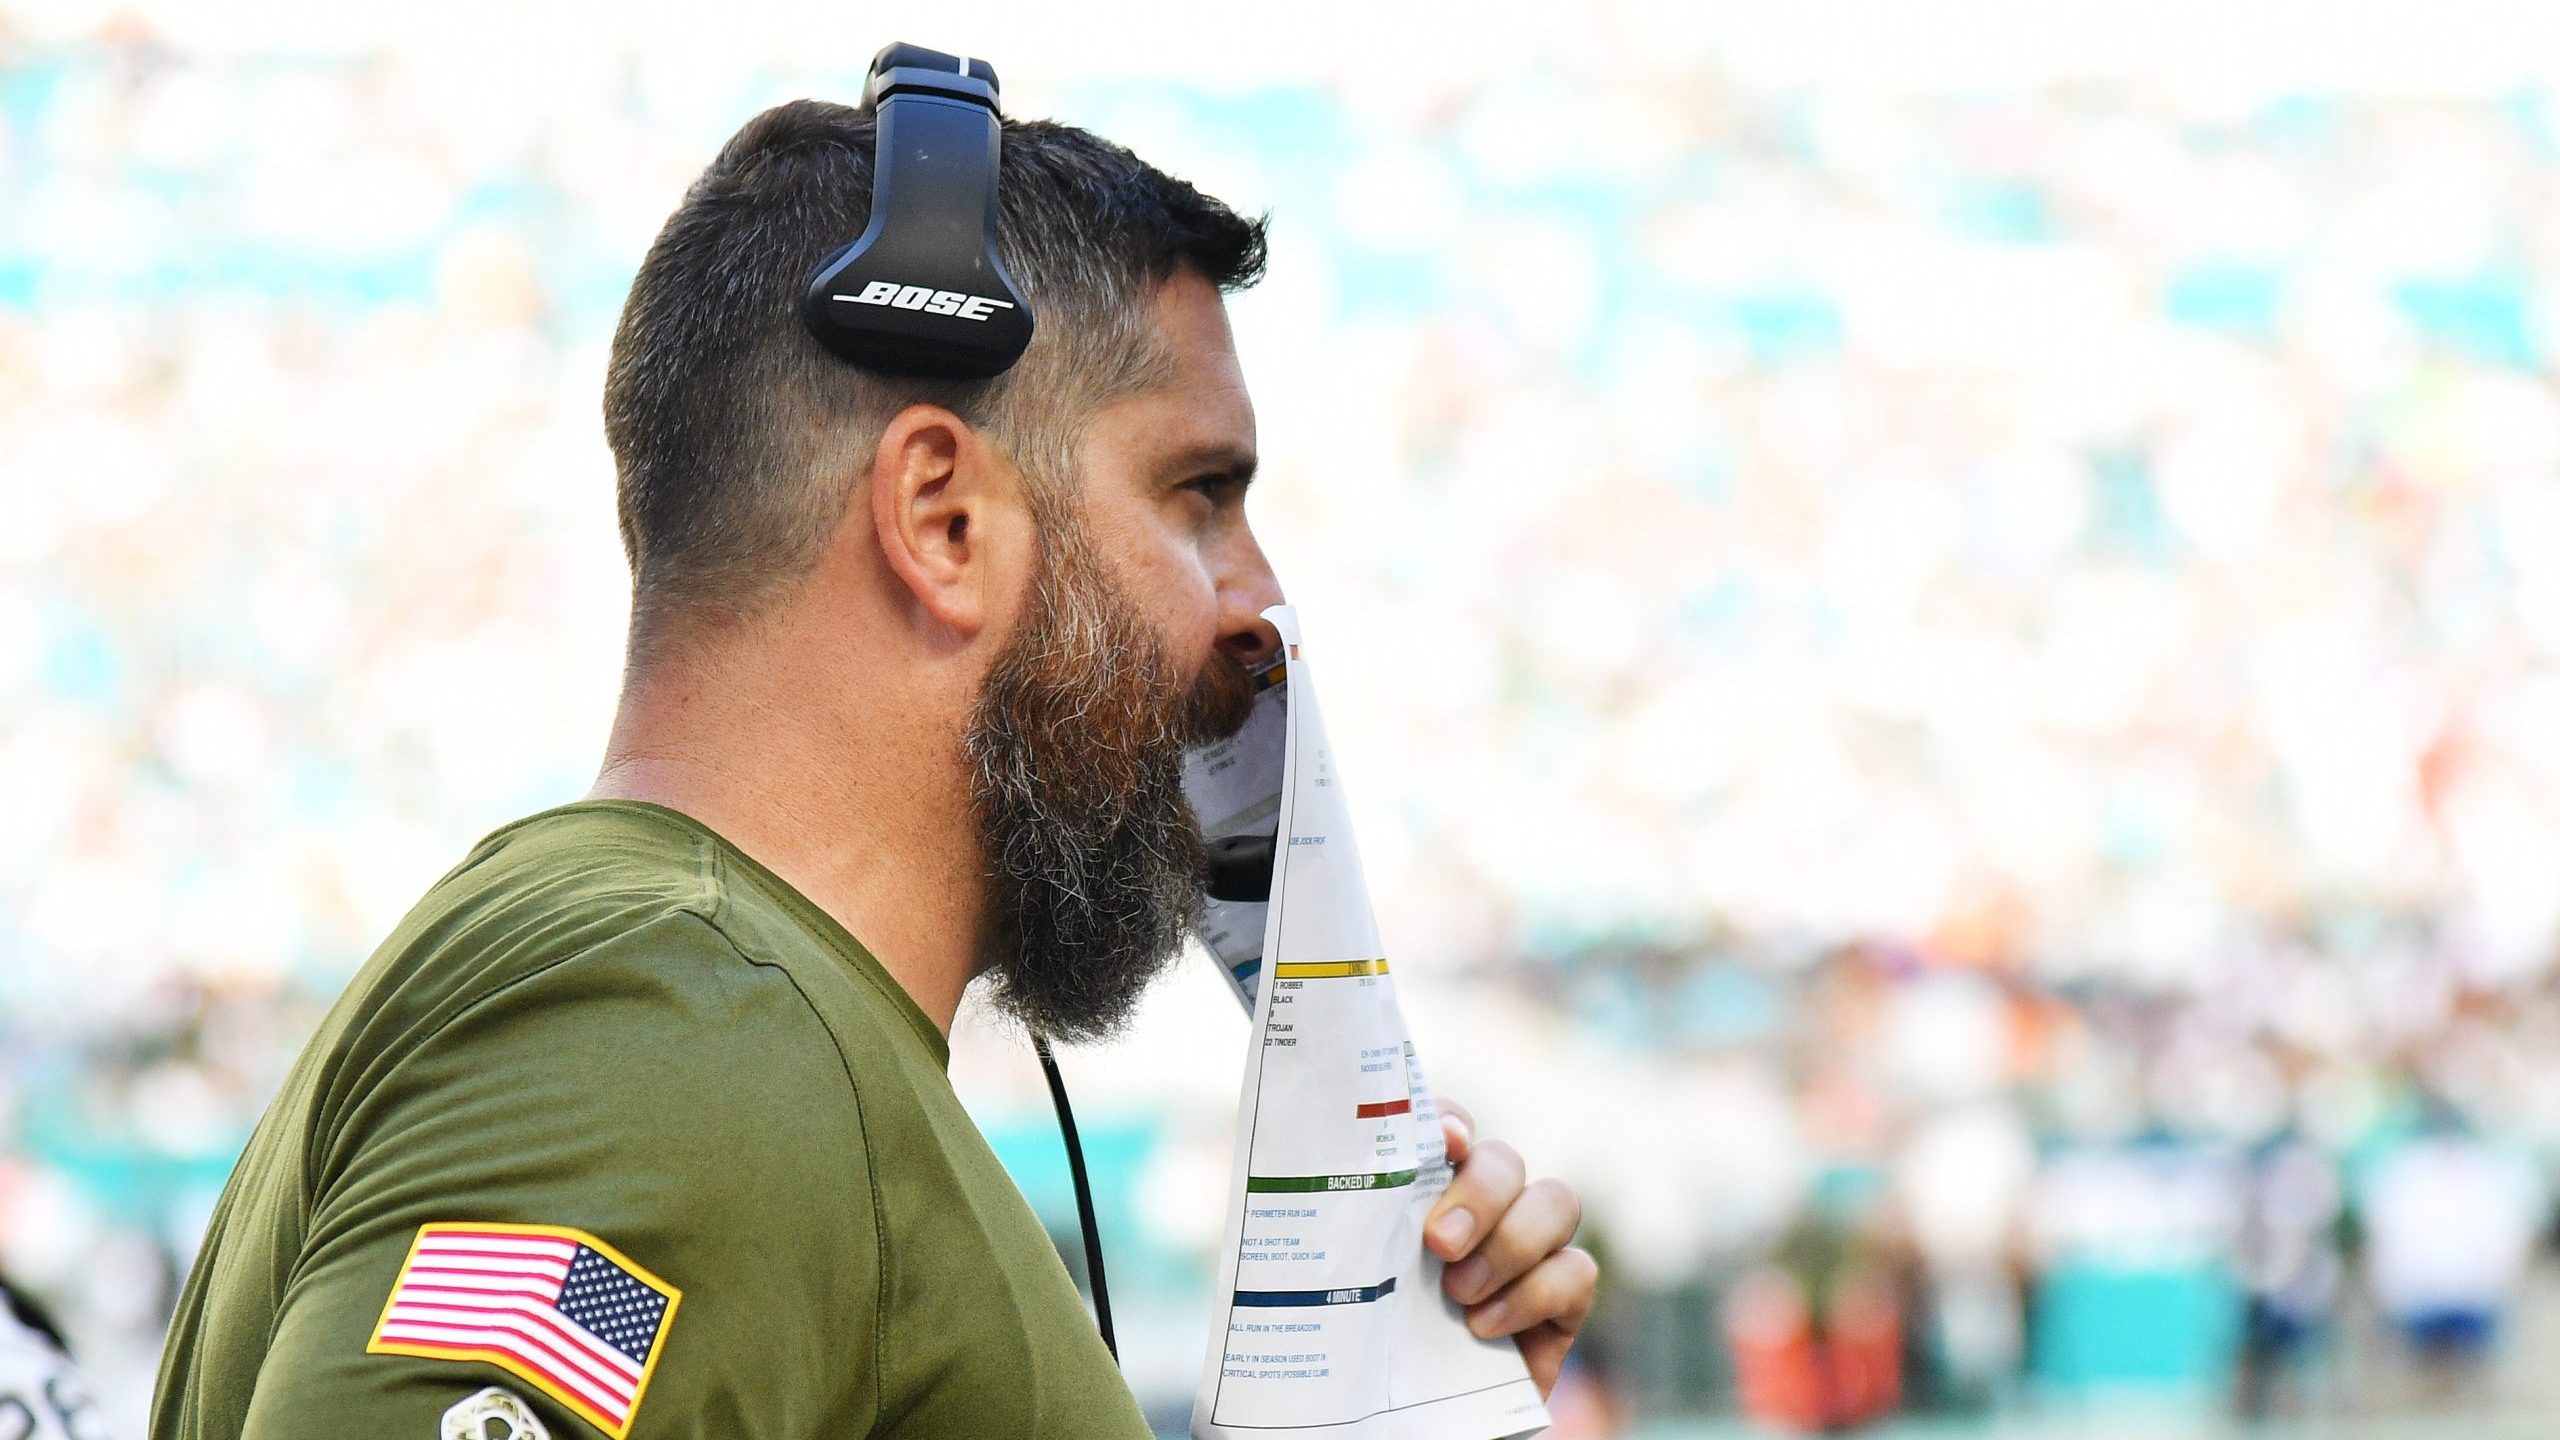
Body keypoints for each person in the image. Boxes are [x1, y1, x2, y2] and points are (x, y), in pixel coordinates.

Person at [149, 92, 1597, 1439]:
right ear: (942, 518)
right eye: (1200, 497)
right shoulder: (676, 1046)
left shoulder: (727, 1025)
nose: (1257, 603)